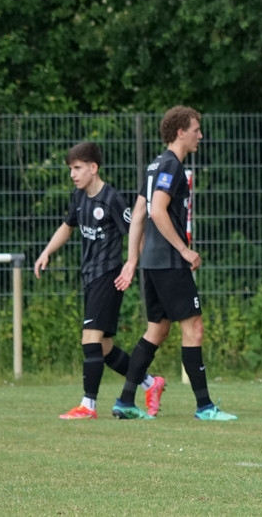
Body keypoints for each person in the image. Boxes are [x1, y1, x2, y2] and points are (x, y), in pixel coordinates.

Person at [111, 106, 237, 421]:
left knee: (157, 329)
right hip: (169, 261)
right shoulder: (171, 166)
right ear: (181, 132)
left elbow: (138, 214)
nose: (200, 135)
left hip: (152, 263)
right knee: (193, 328)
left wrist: (134, 259)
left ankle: (125, 401)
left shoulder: (155, 165)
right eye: (196, 130)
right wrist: (184, 250)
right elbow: (156, 211)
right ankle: (205, 407)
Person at [34, 142, 166, 420]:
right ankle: (149, 383)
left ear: (93, 168)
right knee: (103, 347)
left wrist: (138, 265)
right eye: (70, 169)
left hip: (108, 277)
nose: (72, 174)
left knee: (90, 339)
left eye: (77, 168)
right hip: (90, 277)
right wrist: (47, 251)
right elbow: (67, 226)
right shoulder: (79, 197)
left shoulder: (112, 199)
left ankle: (88, 405)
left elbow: (136, 232)